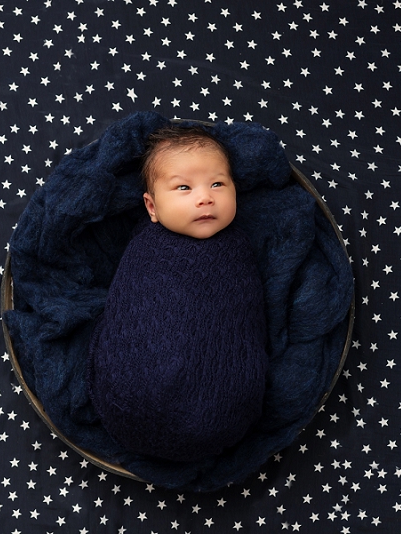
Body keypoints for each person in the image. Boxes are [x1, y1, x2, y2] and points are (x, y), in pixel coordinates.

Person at [87, 125, 269, 463]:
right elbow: (127, 304)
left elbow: (246, 320)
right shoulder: (145, 247)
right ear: (152, 208)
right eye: (183, 188)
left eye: (217, 184)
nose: (205, 197)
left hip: (220, 407)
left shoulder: (239, 248)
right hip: (132, 397)